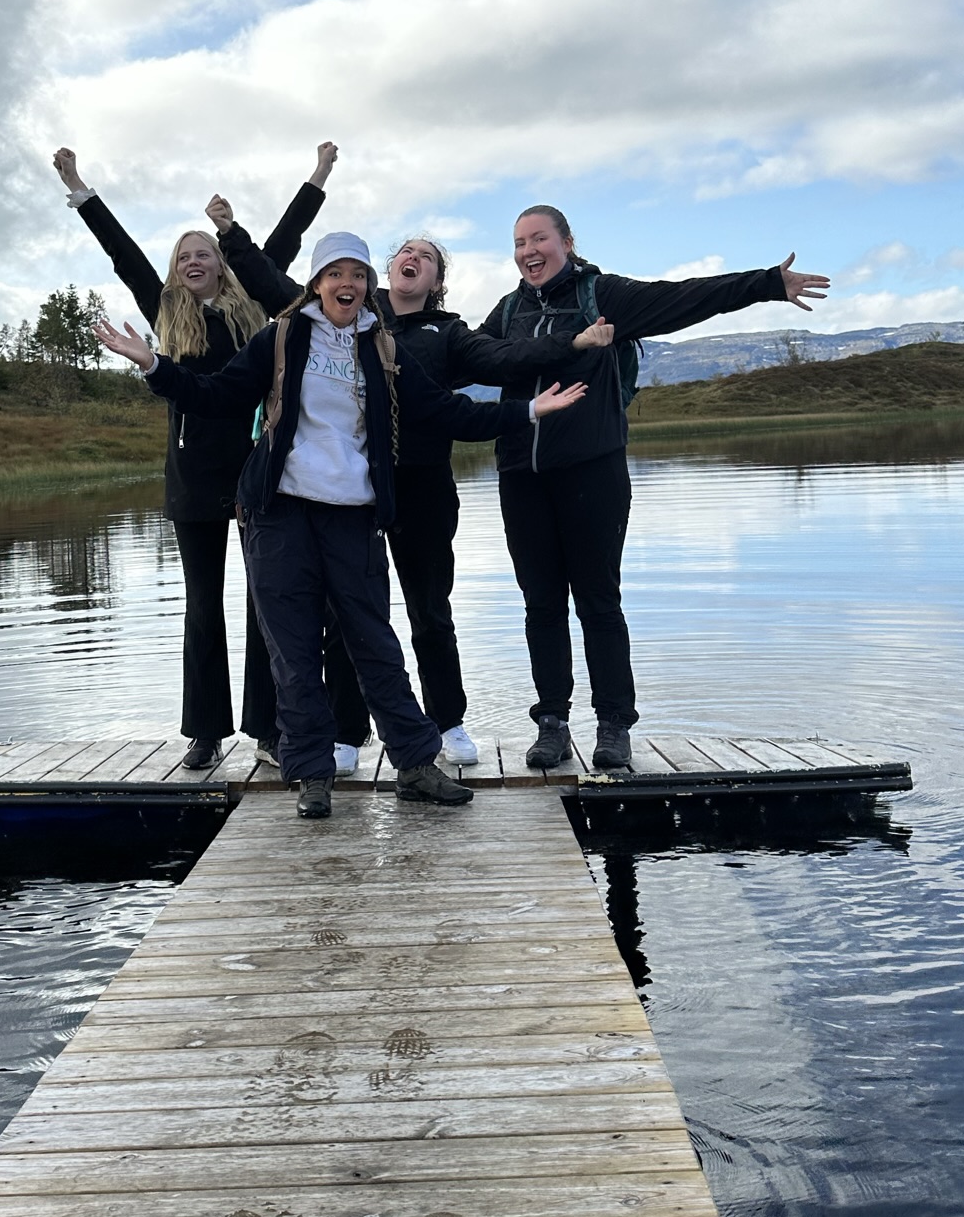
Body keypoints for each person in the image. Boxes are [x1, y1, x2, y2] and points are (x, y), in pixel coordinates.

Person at [92, 231, 587, 819]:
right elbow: (217, 395)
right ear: (318, 283)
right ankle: (311, 774)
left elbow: (445, 410)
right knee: (294, 650)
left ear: (367, 287)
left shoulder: (382, 347)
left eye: (357, 275)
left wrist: (527, 410)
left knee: (375, 643)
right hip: (279, 514)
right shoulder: (281, 336)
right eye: (335, 274)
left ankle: (415, 765)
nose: (346, 284)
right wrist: (154, 365)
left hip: (352, 514)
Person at [479, 206, 830, 775]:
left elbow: (683, 298)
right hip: (521, 475)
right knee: (541, 604)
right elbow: (475, 357)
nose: (528, 252)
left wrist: (766, 283)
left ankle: (614, 725)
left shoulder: (602, 295)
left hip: (593, 471)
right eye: (519, 243)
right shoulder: (509, 310)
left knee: (598, 600)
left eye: (539, 239)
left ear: (566, 241)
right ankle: (552, 724)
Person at [248, 235, 613, 771]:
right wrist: (233, 237)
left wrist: (569, 346)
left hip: (424, 492)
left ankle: (447, 723)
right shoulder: (347, 322)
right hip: (353, 490)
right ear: (385, 270)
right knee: (346, 615)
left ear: (436, 281)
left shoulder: (448, 334)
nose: (413, 259)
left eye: (427, 258)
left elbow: (502, 360)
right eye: (406, 252)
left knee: (430, 612)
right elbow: (273, 286)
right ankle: (347, 732)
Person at [52, 141, 337, 770]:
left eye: (203, 253)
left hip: (258, 474)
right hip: (193, 480)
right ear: (176, 270)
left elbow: (284, 240)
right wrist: (79, 188)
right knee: (203, 606)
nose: (193, 261)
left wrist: (317, 175)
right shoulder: (164, 311)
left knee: (268, 604)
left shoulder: (253, 308)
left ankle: (270, 729)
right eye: (184, 256)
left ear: (221, 263)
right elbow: (122, 252)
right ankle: (205, 731)